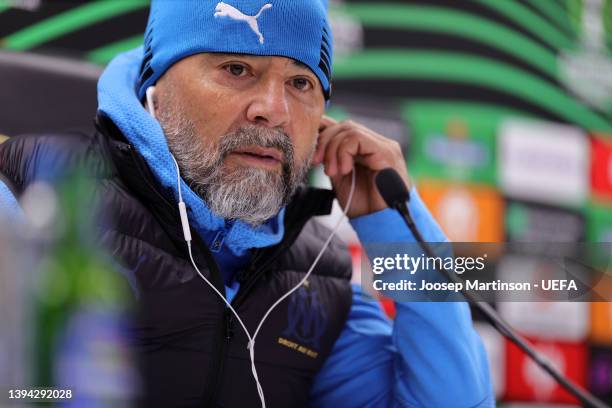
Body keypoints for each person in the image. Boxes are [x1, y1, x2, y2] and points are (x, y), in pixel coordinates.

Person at [0, 1, 494, 406]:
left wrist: (395, 225)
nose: (273, 111)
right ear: (157, 85)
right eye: (237, 69)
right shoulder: (29, 204)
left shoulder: (317, 278)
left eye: (300, 83)